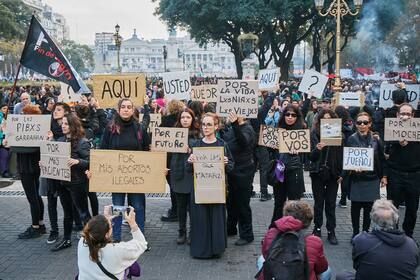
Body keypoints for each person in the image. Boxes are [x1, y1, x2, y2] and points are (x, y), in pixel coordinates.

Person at [100, 98, 150, 242]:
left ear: (133, 110)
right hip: (117, 177)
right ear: (118, 109)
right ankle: (116, 238)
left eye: (129, 107)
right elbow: (103, 150)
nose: (126, 109)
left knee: (138, 207)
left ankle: (140, 239)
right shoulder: (110, 128)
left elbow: (147, 149)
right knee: (117, 207)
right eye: (123, 107)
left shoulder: (139, 128)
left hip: (136, 176)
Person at [187, 112, 234, 258]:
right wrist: (189, 162)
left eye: (209, 124)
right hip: (200, 188)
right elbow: (188, 169)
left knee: (215, 218)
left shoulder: (222, 145)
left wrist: (226, 163)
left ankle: (216, 249)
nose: (205, 127)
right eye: (203, 124)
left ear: (216, 126)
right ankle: (201, 250)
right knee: (200, 219)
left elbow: (232, 166)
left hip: (216, 189)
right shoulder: (196, 144)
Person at [336, 199, 419, 280]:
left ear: (372, 218)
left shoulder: (361, 240)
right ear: (396, 219)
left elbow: (356, 265)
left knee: (341, 276)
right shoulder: (412, 245)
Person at [48, 113, 92, 251]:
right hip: (63, 183)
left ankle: (95, 239)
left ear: (73, 125)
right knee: (67, 213)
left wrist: (77, 161)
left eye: (66, 123)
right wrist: (45, 163)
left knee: (83, 213)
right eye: (62, 123)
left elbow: (91, 162)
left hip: (77, 183)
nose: (63, 125)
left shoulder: (82, 142)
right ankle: (66, 239)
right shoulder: (60, 140)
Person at [339, 112, 386, 240]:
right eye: (359, 122)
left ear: (370, 124)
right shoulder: (351, 139)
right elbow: (347, 159)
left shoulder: (376, 139)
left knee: (368, 209)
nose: (362, 125)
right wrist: (346, 172)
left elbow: (382, 159)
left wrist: (384, 176)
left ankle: (365, 232)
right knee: (355, 208)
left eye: (365, 122)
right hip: (357, 179)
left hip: (372, 179)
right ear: (356, 124)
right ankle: (355, 232)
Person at [258, 200, 330, 280]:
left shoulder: (271, 233)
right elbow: (322, 268)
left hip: (274, 276)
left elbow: (265, 254)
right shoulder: (315, 241)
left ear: (286, 215)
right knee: (327, 271)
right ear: (308, 220)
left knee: (261, 259)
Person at [78, 206, 147, 280]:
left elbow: (96, 229)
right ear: (107, 234)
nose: (111, 224)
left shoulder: (82, 242)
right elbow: (142, 244)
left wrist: (105, 219)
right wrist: (132, 223)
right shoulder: (118, 250)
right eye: (111, 225)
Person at [384, 103, 420, 238]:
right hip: (395, 174)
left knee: (412, 209)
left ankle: (408, 236)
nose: (405, 116)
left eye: (408, 114)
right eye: (402, 113)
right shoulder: (391, 128)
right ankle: (394, 233)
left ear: (413, 116)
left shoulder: (418, 129)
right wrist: (396, 141)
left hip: (414, 175)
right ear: (398, 115)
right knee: (392, 208)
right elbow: (386, 147)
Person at [10, 105, 46, 239]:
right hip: (32, 167)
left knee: (32, 197)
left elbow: (25, 149)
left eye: (24, 114)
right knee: (36, 196)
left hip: (28, 168)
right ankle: (40, 224)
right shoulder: (35, 131)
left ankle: (35, 227)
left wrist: (13, 145)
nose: (21, 116)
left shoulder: (33, 133)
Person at [222, 112, 256, 246]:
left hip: (244, 171)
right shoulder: (231, 128)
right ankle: (230, 228)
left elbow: (243, 141)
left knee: (242, 204)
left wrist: (235, 123)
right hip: (232, 170)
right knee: (231, 203)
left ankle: (247, 235)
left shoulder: (248, 128)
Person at [309, 109, 342, 245]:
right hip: (317, 173)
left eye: (330, 119)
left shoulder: (339, 135)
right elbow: (310, 157)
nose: (327, 121)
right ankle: (317, 228)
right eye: (324, 119)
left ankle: (331, 230)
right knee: (318, 203)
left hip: (333, 174)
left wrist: (341, 174)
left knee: (330, 203)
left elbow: (341, 156)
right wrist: (317, 149)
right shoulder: (314, 134)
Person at [270, 104, 305, 227]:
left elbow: (308, 154)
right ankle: (274, 230)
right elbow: (269, 152)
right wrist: (273, 148)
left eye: (293, 115)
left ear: (297, 117)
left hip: (294, 171)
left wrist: (298, 152)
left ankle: (292, 230)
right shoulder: (277, 129)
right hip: (280, 171)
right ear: (283, 115)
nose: (290, 117)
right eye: (287, 114)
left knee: (293, 204)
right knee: (278, 203)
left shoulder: (302, 131)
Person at [170, 108, 200, 244]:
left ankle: (193, 232)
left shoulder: (198, 135)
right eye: (183, 117)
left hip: (192, 174)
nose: (185, 120)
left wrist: (191, 150)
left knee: (192, 207)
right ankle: (182, 232)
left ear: (192, 119)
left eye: (188, 117)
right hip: (178, 173)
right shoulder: (173, 134)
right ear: (179, 120)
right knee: (181, 206)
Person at [160, 100, 186, 222]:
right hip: (182, 158)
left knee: (172, 186)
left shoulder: (166, 121)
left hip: (169, 159)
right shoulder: (184, 120)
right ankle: (180, 209)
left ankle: (175, 211)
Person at [0, 103, 11, 178]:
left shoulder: (9, 117)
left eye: (7, 108)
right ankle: (4, 171)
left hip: (7, 140)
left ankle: (5, 171)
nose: (6, 110)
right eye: (4, 108)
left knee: (6, 155)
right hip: (1, 139)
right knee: (4, 155)